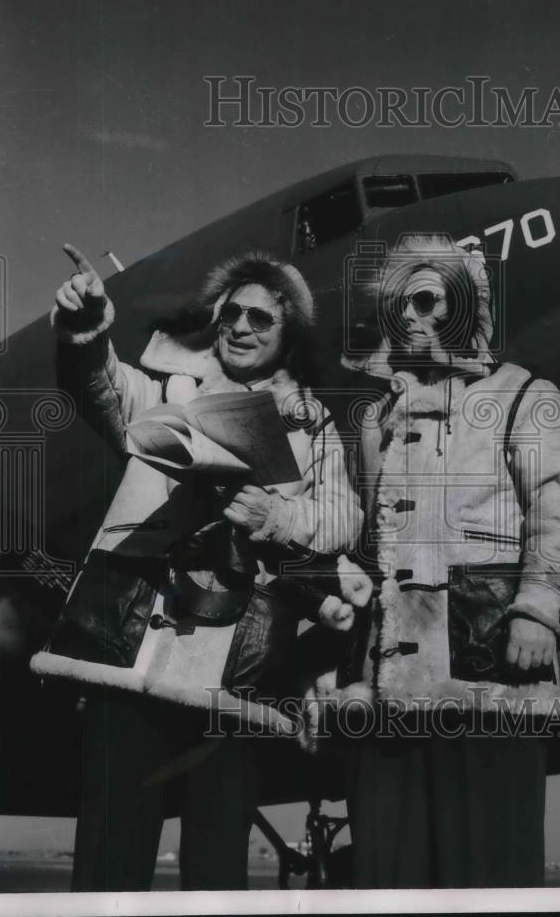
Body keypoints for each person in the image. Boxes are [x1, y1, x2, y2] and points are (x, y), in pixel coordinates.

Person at [34, 245, 361, 891]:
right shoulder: (163, 386)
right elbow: (99, 386)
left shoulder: (313, 426)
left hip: (235, 675)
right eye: (231, 313)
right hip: (132, 656)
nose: (240, 327)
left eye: (259, 319)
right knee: (108, 862)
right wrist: (86, 328)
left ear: (287, 332)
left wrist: (275, 515)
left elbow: (344, 519)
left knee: (217, 870)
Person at [308, 233, 560, 888]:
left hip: (489, 663)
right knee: (389, 871)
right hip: (383, 680)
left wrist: (538, 606)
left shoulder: (526, 395)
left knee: (489, 864)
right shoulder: (375, 420)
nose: (415, 318)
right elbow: (367, 544)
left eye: (430, 300)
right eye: (402, 307)